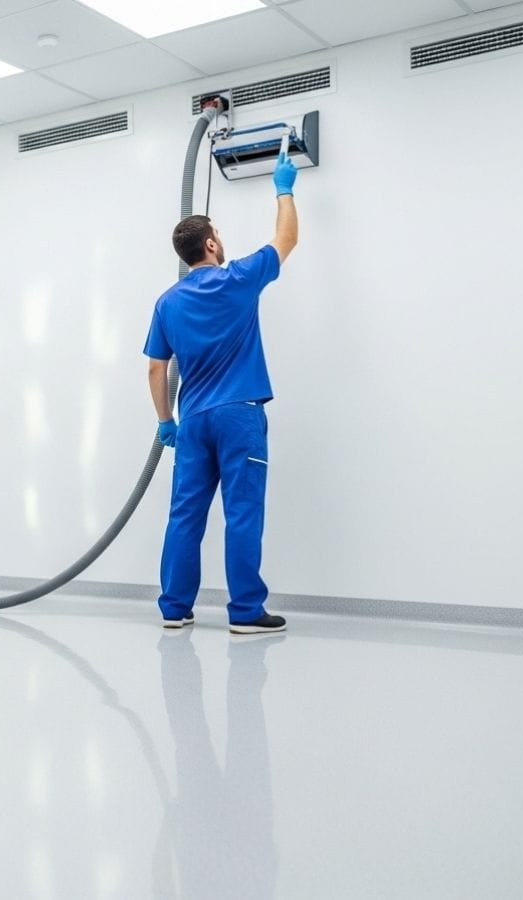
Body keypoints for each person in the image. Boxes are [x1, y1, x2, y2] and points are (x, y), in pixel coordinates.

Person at [144, 151, 298, 634]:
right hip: (238, 415)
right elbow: (286, 239)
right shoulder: (238, 278)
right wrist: (284, 187)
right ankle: (246, 613)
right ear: (211, 244)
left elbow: (155, 368)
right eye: (220, 236)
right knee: (243, 512)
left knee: (184, 514)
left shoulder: (167, 301)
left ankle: (174, 609)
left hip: (192, 422)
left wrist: (166, 421)